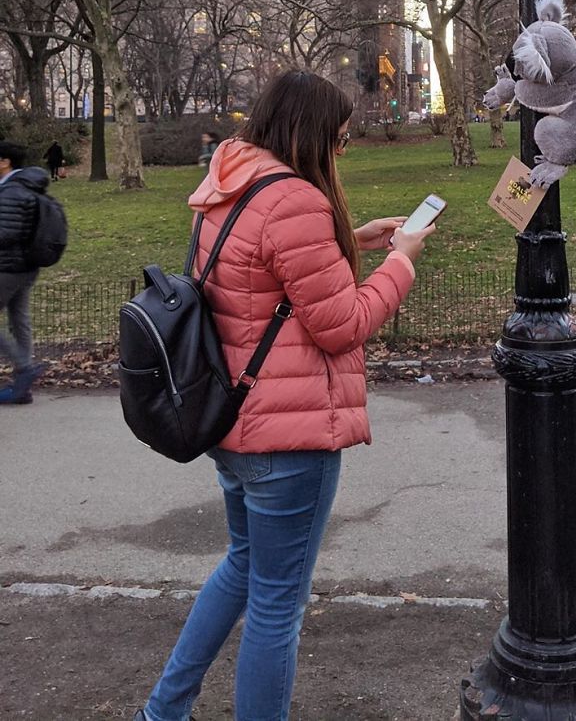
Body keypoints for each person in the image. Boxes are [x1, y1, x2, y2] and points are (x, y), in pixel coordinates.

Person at [134, 70, 433, 721]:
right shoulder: (297, 200)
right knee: (276, 606)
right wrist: (402, 261)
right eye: (341, 139)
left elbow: (258, 277)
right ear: (312, 133)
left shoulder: (232, 180)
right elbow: (342, 325)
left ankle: (163, 711)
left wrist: (352, 241)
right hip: (288, 438)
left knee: (243, 567)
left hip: (232, 419)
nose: (342, 151)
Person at [0, 142, 48, 405]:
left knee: (19, 321)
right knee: (19, 320)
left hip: (8, 267)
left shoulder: (12, 191)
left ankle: (24, 368)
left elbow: (7, 233)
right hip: (25, 267)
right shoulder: (26, 186)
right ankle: (22, 387)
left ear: (5, 162)